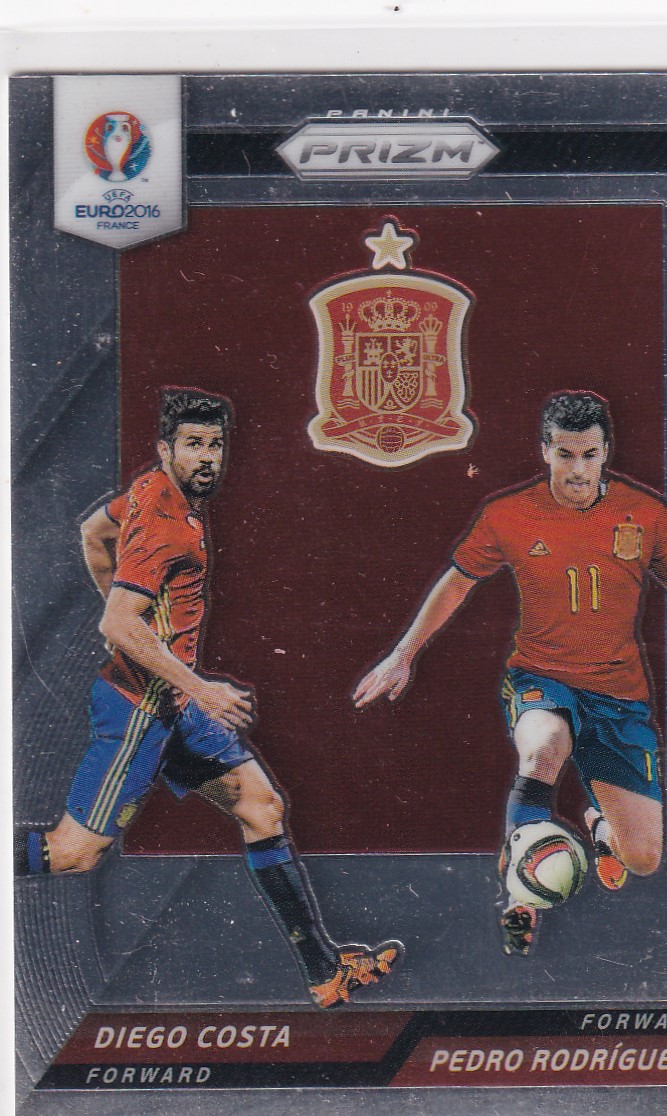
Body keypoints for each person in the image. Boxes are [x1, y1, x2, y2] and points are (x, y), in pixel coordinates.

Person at [15, 387, 400, 1008]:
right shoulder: (165, 527)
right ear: (166, 449)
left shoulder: (152, 491)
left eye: (215, 445)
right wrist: (196, 685)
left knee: (261, 806)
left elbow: (93, 533)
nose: (206, 457)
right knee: (75, 854)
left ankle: (324, 972)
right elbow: (117, 623)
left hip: (175, 704)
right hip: (141, 711)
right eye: (193, 444)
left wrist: (150, 638)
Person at [354, 391, 667, 955]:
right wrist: (403, 654)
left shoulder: (645, 513)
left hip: (619, 696)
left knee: (643, 859)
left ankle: (599, 827)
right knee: (543, 747)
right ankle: (521, 897)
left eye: (589, 455)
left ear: (606, 451)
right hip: (542, 677)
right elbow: (457, 583)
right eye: (565, 454)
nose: (578, 470)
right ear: (545, 451)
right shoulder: (508, 514)